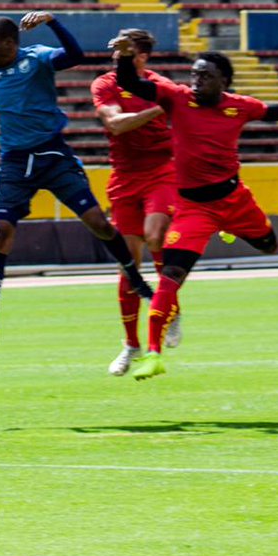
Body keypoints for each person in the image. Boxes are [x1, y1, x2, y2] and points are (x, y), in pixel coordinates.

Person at [114, 43, 278, 380]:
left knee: (271, 247)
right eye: (194, 74)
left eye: (206, 76)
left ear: (224, 82)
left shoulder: (239, 107)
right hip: (193, 208)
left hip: (235, 201)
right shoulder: (176, 97)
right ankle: (153, 354)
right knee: (171, 277)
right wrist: (124, 56)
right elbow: (132, 84)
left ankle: (230, 228)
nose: (196, 81)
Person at [0, 11, 153, 348]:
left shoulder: (38, 57)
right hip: (15, 163)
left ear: (11, 43)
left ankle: (134, 276)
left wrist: (52, 21)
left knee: (98, 223)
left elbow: (76, 56)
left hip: (52, 155)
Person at [91, 28, 183, 377]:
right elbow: (115, 124)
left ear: (141, 56)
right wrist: (158, 109)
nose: (115, 55)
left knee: (156, 236)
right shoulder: (105, 85)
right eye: (114, 49)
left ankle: (169, 309)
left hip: (162, 171)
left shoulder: (162, 85)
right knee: (128, 265)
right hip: (125, 177)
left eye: (123, 50)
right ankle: (131, 344)